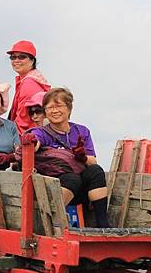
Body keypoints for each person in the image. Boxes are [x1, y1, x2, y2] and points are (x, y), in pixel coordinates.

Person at [25, 87, 111, 228]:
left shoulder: (81, 131)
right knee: (72, 178)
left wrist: (81, 157)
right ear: (45, 112)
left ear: (69, 108)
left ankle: (103, 224)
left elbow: (92, 161)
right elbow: (36, 140)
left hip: (80, 191)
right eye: (50, 107)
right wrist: (31, 141)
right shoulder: (41, 132)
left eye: (59, 106)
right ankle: (52, 223)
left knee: (96, 171)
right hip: (53, 187)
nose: (54, 111)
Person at [6, 40, 51, 134]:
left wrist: (11, 139)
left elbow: (24, 121)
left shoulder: (29, 84)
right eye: (13, 57)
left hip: (29, 138)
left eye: (22, 57)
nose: (16, 60)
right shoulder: (32, 79)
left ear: (32, 60)